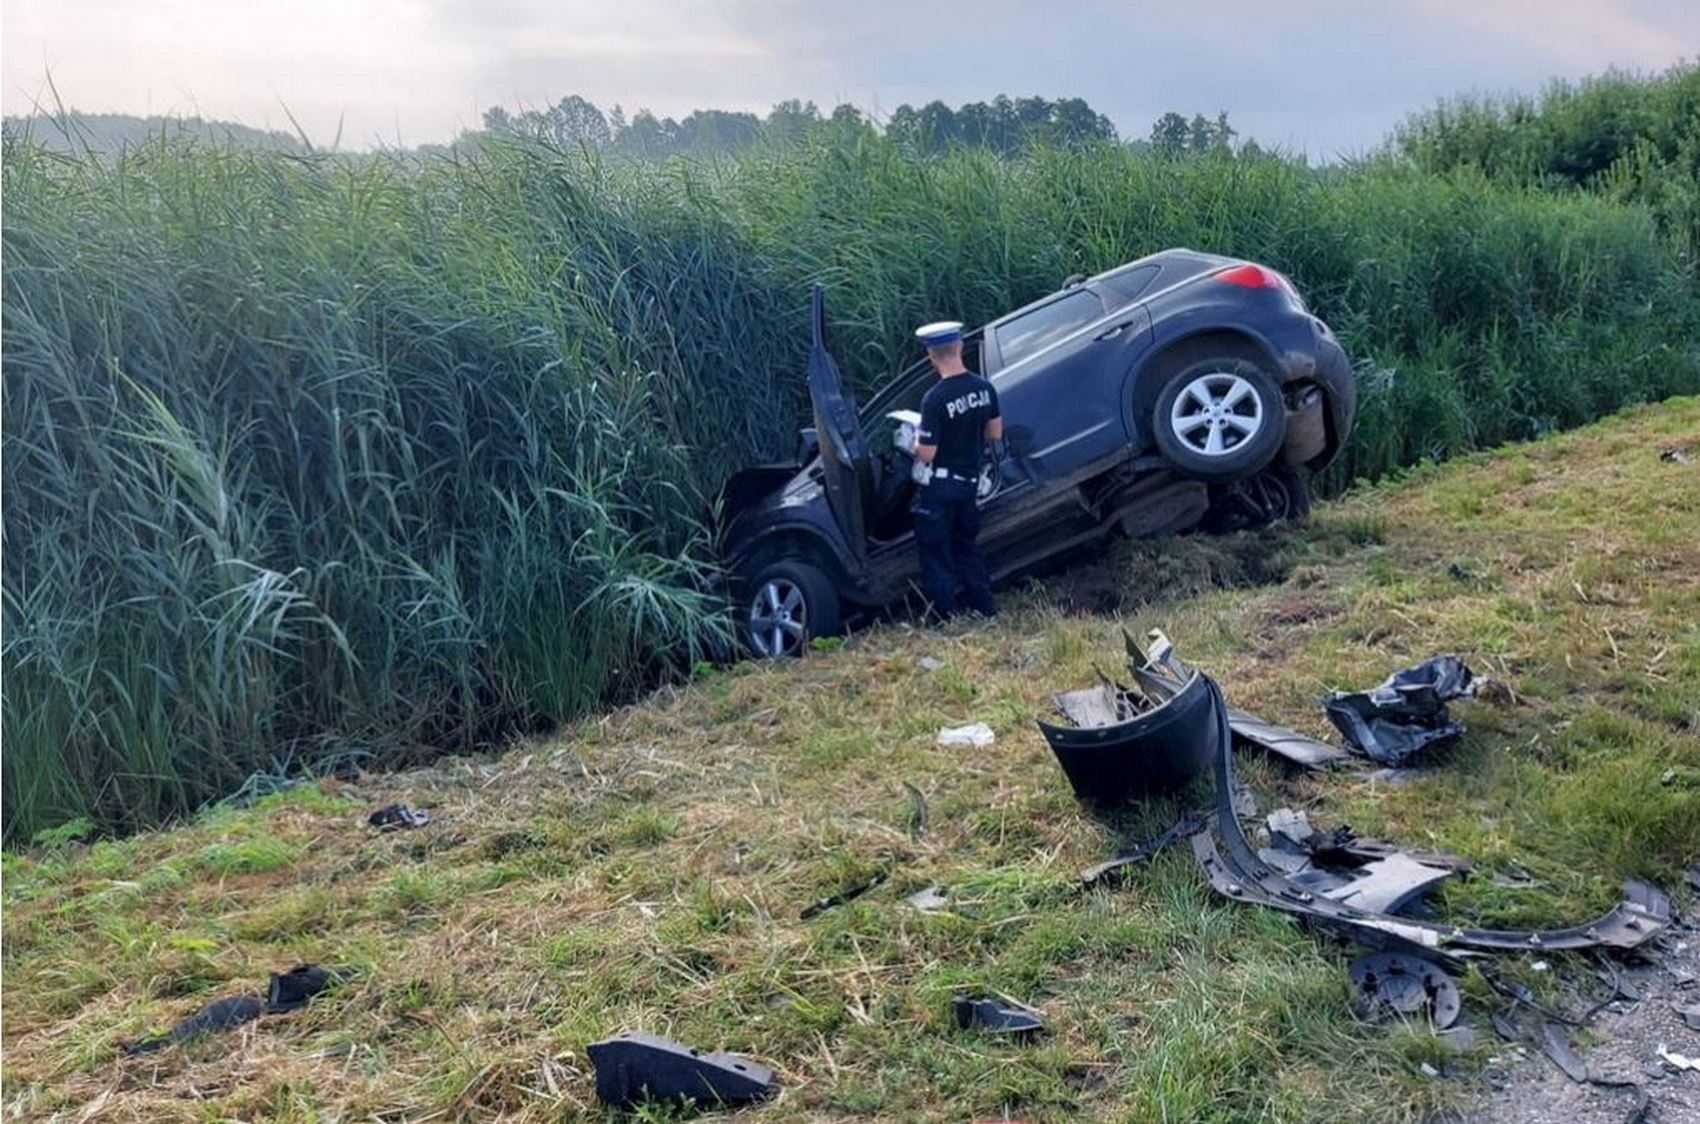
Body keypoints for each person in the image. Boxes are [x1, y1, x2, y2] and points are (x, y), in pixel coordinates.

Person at [910, 320, 1002, 620]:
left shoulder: (934, 399)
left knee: (936, 552)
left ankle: (945, 616)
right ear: (960, 346)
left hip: (940, 487)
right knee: (967, 547)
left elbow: (927, 453)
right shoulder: (984, 388)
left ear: (931, 356)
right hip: (970, 484)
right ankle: (984, 608)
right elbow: (994, 434)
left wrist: (914, 440)